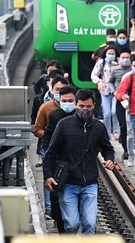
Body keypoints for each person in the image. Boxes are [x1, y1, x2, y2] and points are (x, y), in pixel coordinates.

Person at [43, 89, 115, 234]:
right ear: (76, 105)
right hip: (68, 182)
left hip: (90, 183)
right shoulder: (64, 125)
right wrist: (48, 175)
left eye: (88, 107)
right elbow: (51, 152)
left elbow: (108, 148)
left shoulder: (98, 127)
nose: (85, 110)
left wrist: (109, 159)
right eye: (81, 106)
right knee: (71, 224)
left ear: (94, 105)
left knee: (89, 224)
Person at [41, 85, 77, 233]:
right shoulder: (55, 116)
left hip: (76, 164)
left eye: (70, 100)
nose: (67, 103)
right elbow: (47, 137)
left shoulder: (82, 115)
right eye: (64, 100)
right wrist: (50, 155)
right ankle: (59, 224)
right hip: (59, 164)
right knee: (56, 196)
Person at [33, 76, 70, 219]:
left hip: (67, 148)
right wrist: (53, 136)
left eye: (62, 89)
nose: (59, 92)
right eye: (57, 89)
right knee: (49, 174)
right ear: (52, 90)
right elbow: (37, 129)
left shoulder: (74, 109)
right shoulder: (46, 108)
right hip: (48, 147)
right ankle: (49, 208)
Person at [109, 50, 134, 163]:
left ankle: (133, 149)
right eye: (123, 57)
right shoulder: (115, 70)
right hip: (120, 101)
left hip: (133, 101)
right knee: (123, 126)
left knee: (132, 128)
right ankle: (126, 151)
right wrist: (114, 91)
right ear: (119, 58)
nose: (125, 59)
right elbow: (110, 82)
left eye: (127, 57)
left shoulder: (132, 71)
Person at [91, 45, 119, 139]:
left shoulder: (119, 62)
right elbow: (94, 75)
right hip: (105, 90)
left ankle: (116, 130)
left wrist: (118, 65)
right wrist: (99, 82)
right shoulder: (101, 62)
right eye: (109, 53)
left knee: (114, 111)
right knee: (106, 113)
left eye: (113, 54)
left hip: (116, 90)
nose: (111, 55)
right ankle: (107, 132)